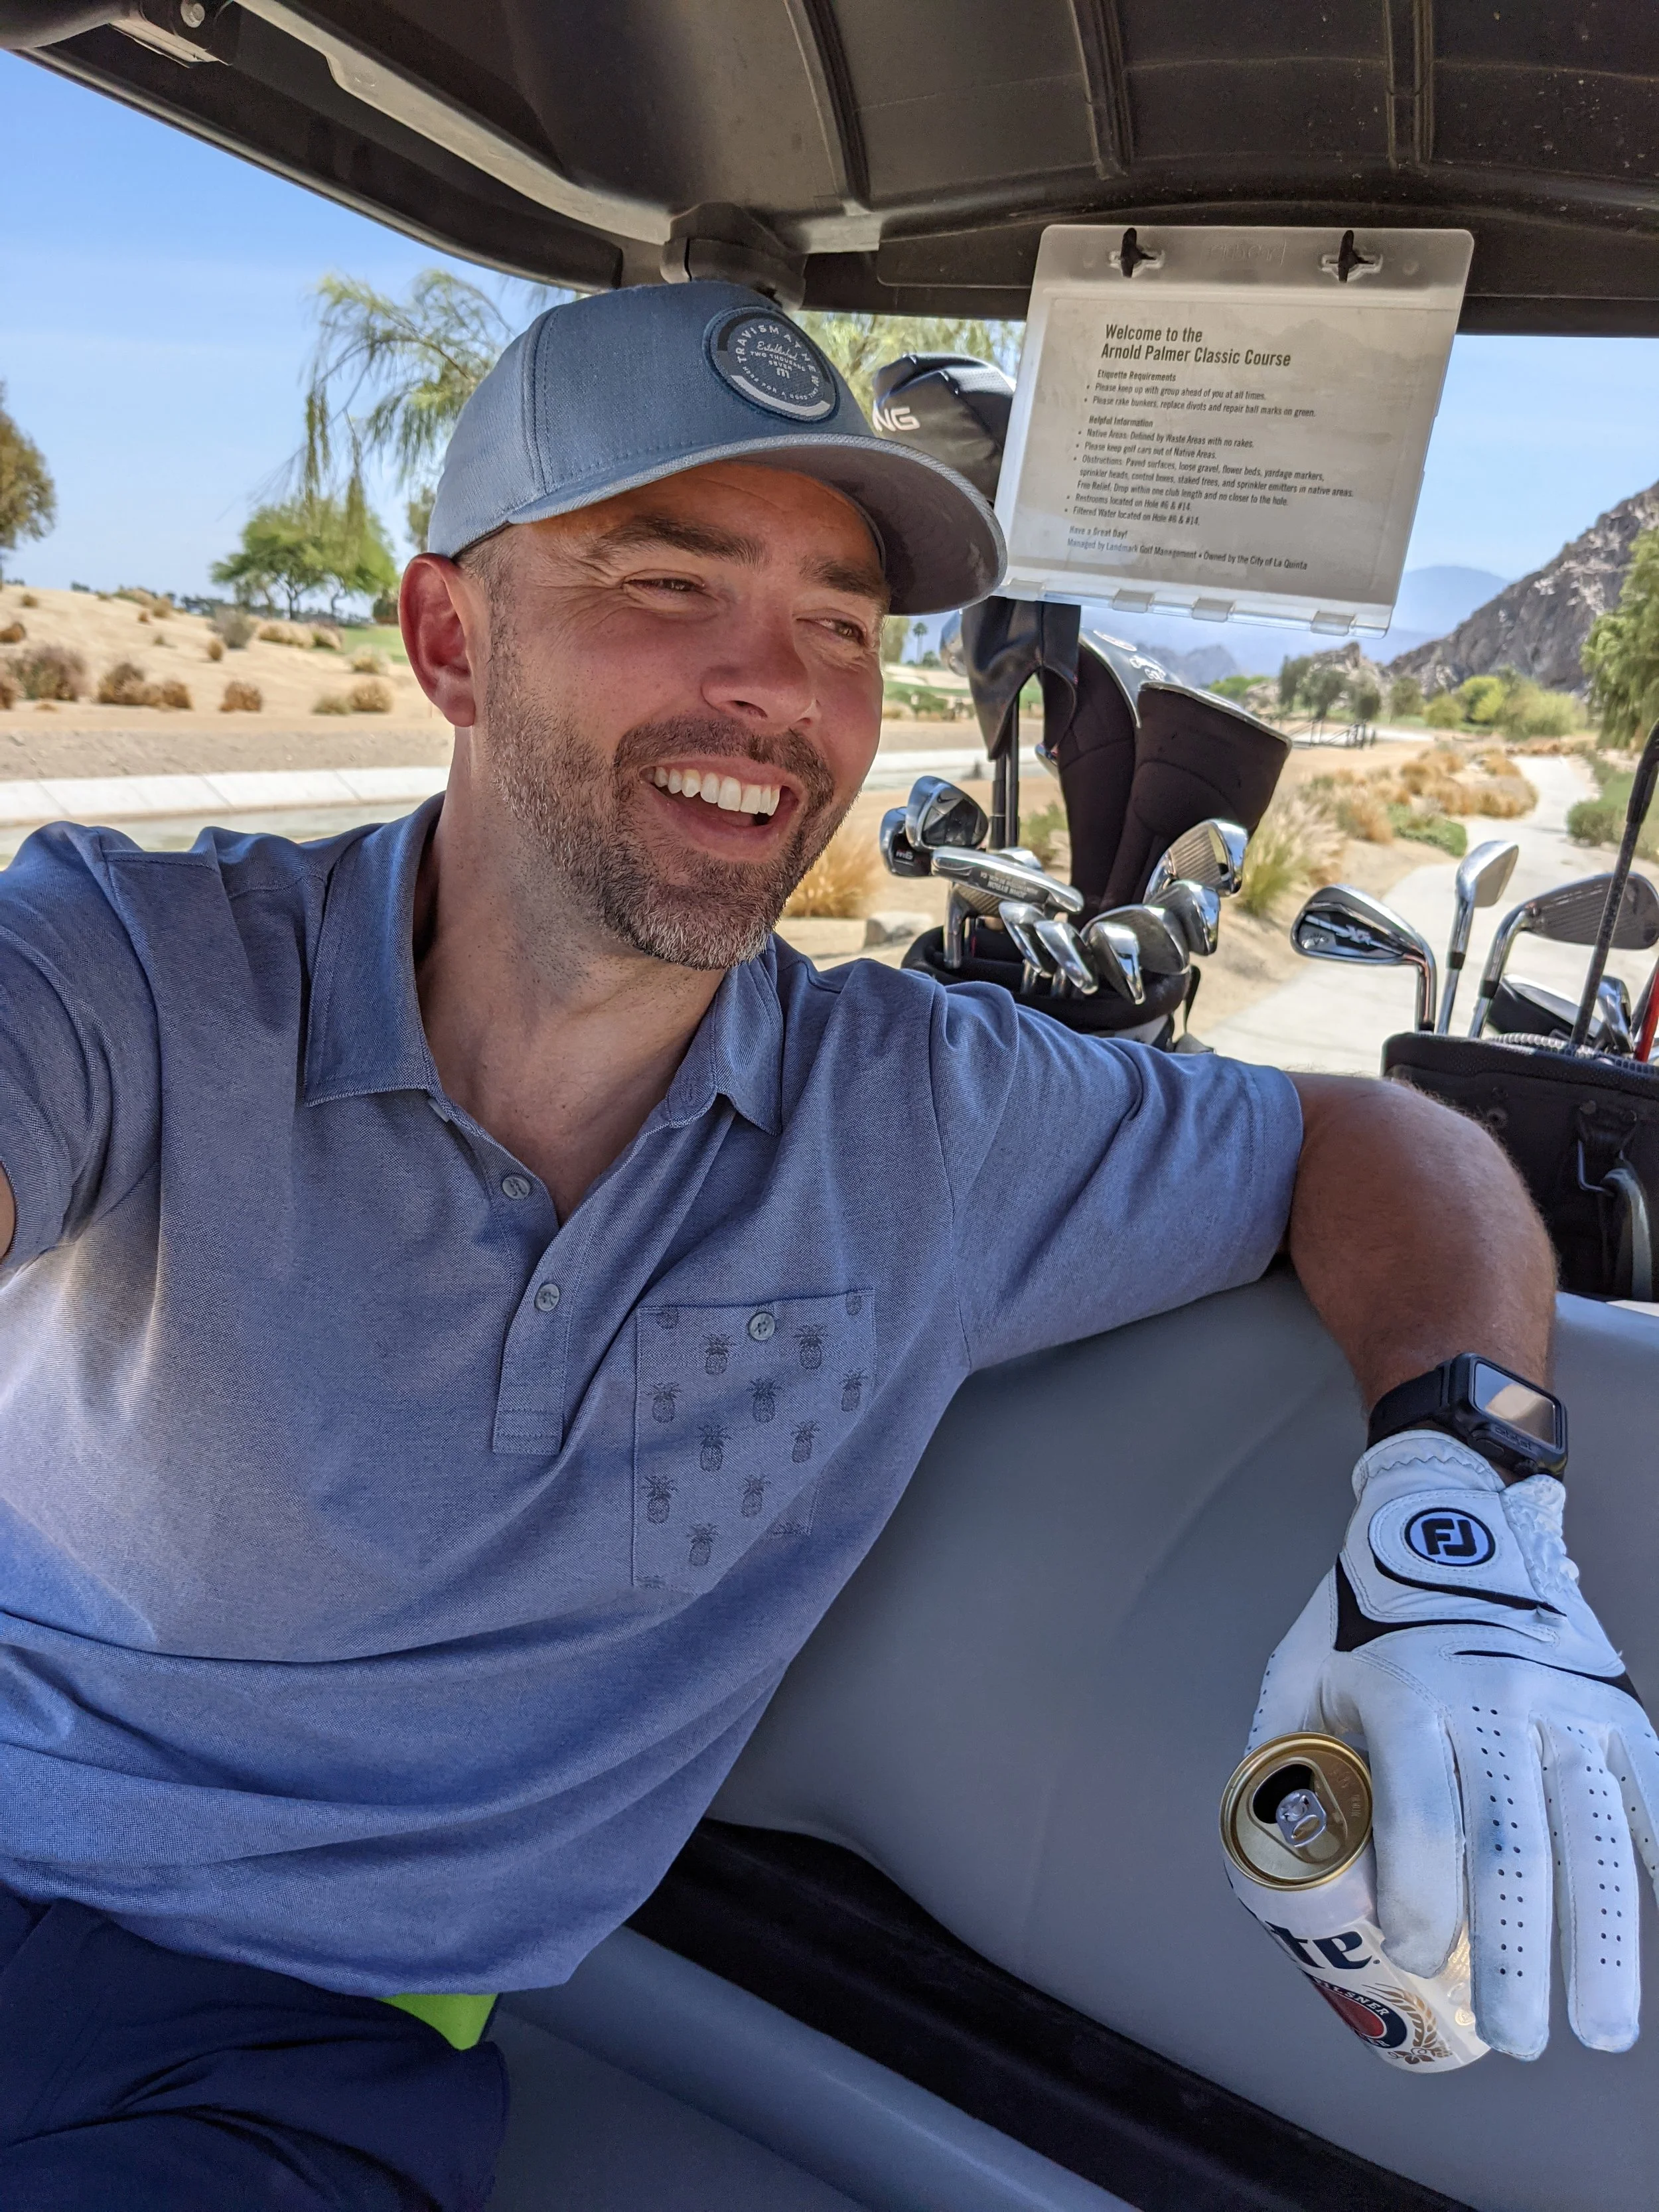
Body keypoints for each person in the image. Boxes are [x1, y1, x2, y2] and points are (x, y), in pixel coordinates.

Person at [0, 279, 1650, 2207]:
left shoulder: (935, 1116)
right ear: (449, 636)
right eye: (666, 582)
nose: (774, 686)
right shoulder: (132, 959)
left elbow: (1382, 1142)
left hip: (260, 2044)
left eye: (841, 626)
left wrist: (1464, 1510)